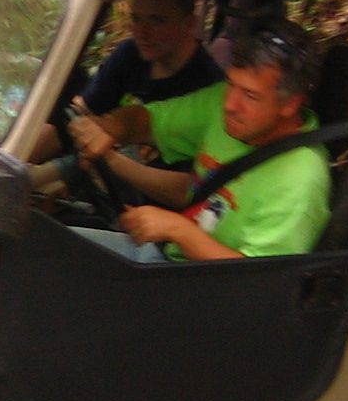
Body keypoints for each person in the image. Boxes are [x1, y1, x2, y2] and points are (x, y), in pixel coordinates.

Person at [69, 17, 330, 261]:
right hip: (166, 259)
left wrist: (178, 230)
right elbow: (147, 121)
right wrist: (110, 128)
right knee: (51, 245)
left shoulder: (299, 180)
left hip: (201, 287)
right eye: (231, 84)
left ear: (290, 104)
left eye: (250, 96)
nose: (229, 104)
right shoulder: (223, 105)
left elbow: (260, 281)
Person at [30, 0, 222, 184]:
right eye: (136, 19)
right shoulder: (129, 55)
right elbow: (71, 123)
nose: (142, 32)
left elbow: (187, 187)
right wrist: (21, 159)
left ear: (189, 24)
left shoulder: (207, 92)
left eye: (157, 21)